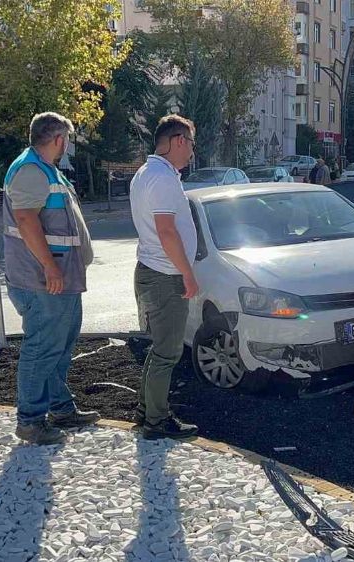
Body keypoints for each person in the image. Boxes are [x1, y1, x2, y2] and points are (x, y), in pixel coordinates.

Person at [2, 112, 98, 445]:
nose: (66, 146)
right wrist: (50, 266)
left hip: (60, 280)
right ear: (58, 139)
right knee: (42, 347)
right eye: (67, 140)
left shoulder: (45, 170)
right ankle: (30, 420)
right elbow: (27, 220)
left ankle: (60, 408)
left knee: (59, 346)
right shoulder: (31, 170)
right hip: (42, 281)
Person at [130, 114, 200, 441]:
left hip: (152, 271)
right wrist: (188, 274)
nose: (192, 152)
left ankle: (147, 411)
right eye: (191, 144)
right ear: (177, 141)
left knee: (159, 349)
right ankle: (156, 423)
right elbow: (166, 231)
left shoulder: (150, 173)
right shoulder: (161, 178)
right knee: (167, 353)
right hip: (164, 276)